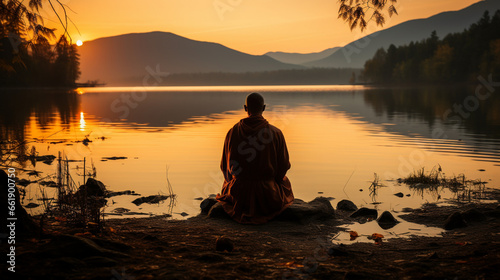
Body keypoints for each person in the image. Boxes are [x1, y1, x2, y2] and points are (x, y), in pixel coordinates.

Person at [216, 93, 294, 224]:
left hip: (239, 193)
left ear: (245, 108)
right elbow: (284, 166)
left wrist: (233, 182)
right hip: (268, 193)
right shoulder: (275, 133)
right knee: (285, 183)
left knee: (227, 185)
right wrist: (273, 181)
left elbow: (225, 167)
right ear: (263, 108)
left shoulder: (232, 132)